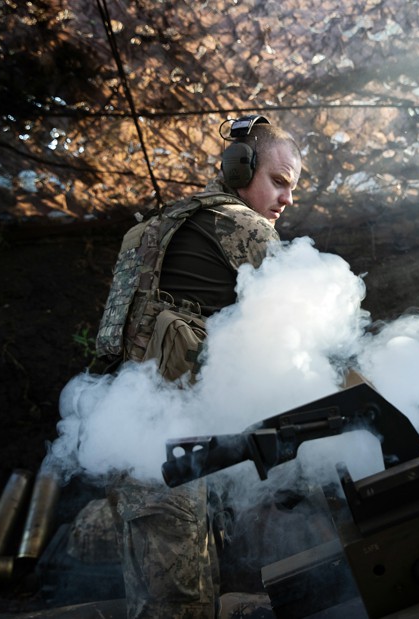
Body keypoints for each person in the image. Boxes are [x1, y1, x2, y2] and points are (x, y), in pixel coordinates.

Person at [94, 116, 302, 619]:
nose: (287, 200)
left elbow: (110, 351)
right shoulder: (245, 228)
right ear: (238, 170)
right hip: (171, 453)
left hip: (130, 439)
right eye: (279, 181)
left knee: (158, 604)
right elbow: (307, 327)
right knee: (181, 610)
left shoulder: (147, 231)